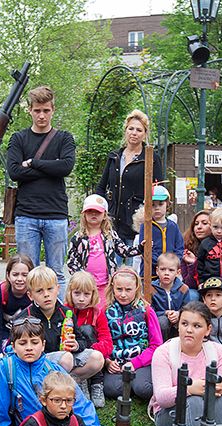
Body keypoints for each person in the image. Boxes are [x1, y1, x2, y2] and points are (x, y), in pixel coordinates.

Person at [0, 318, 107, 426]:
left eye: (34, 342)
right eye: (23, 343)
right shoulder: (6, 368)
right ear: (13, 346)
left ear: (43, 345)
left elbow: (80, 405)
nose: (29, 348)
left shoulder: (52, 369)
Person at [6, 86, 76, 294]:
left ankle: (59, 314)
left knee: (57, 274)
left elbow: (66, 167)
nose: (42, 115)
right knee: (28, 273)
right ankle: (30, 313)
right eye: (37, 110)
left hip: (56, 214)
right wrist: (51, 167)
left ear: (53, 110)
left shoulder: (64, 138)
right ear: (30, 110)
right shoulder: (18, 138)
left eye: (46, 110)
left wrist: (33, 163)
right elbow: (14, 172)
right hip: (26, 215)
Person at [150, 300, 222, 426]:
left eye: (197, 326)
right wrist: (189, 389)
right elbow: (162, 398)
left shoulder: (217, 350)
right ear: (178, 326)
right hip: (171, 411)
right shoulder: (163, 352)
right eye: (184, 324)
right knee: (194, 401)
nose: (189, 330)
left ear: (208, 330)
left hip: (209, 404)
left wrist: (211, 386)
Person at [12, 266, 102, 383]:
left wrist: (76, 345)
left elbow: (82, 340)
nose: (46, 294)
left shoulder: (66, 313)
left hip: (66, 359)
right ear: (30, 295)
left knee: (97, 358)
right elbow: (16, 349)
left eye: (50, 289)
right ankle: (49, 385)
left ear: (58, 289)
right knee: (66, 359)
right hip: (39, 363)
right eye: (39, 291)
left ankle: (69, 382)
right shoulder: (25, 318)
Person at [94, 109, 165, 246]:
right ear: (125, 130)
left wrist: (149, 212)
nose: (134, 133)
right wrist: (100, 210)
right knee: (112, 258)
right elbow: (101, 187)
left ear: (145, 134)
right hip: (113, 222)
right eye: (131, 128)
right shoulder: (114, 157)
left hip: (137, 222)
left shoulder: (151, 158)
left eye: (139, 130)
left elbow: (159, 189)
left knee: (135, 258)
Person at [103, 267, 162, 400]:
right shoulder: (105, 311)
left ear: (136, 289)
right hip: (116, 361)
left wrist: (135, 363)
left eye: (128, 290)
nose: (123, 294)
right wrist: (107, 362)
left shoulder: (146, 310)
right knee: (110, 389)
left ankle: (135, 382)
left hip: (141, 361)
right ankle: (129, 383)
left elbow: (156, 345)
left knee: (143, 389)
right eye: (119, 289)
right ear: (113, 288)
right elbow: (101, 341)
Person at [67, 194, 139, 302]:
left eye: (98, 212)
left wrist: (140, 248)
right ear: (84, 214)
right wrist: (80, 277)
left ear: (104, 215)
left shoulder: (110, 235)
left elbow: (124, 251)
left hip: (106, 284)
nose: (93, 214)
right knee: (87, 308)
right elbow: (71, 262)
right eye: (90, 211)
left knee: (105, 308)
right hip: (86, 287)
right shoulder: (78, 238)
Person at [63, 271, 112, 408]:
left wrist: (89, 349)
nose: (81, 299)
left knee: (87, 330)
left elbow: (107, 342)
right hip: (71, 355)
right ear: (70, 292)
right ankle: (81, 381)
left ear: (93, 294)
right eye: (77, 293)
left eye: (86, 294)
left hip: (92, 355)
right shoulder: (64, 310)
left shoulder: (97, 313)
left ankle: (97, 383)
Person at [135, 186, 185, 275]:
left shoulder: (173, 226)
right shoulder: (145, 227)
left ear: (167, 204)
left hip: (170, 273)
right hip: (150, 274)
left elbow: (179, 247)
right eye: (153, 205)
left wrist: (173, 263)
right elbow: (145, 250)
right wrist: (161, 264)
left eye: (161, 204)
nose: (157, 208)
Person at [0, 254, 33, 352]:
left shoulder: (35, 293)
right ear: (8, 275)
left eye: (25, 275)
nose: (20, 279)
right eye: (15, 274)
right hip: (4, 334)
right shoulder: (0, 292)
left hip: (27, 337)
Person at [151, 252, 192, 340]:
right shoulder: (151, 289)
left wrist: (178, 314)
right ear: (157, 271)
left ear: (178, 272)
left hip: (179, 320)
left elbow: (188, 309)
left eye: (171, 270)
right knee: (162, 322)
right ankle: (161, 345)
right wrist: (165, 313)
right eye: (163, 269)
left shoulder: (183, 289)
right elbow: (150, 311)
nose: (166, 273)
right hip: (161, 322)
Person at [182, 210, 211, 290]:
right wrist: (193, 264)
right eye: (196, 224)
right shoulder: (187, 248)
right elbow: (188, 284)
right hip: (194, 289)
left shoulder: (220, 247)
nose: (199, 227)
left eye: (204, 223)